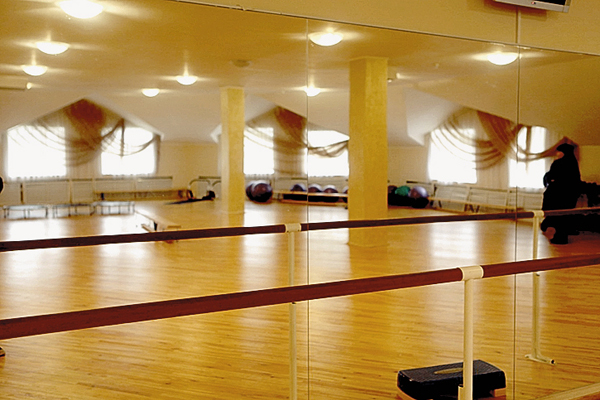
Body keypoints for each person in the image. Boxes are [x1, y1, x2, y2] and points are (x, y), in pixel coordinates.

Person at [541, 142, 582, 244]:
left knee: (558, 217)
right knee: (565, 217)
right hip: (570, 195)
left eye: (559, 151)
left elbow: (551, 176)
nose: (557, 153)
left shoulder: (558, 163)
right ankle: (563, 237)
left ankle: (559, 238)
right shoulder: (573, 163)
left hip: (558, 195)